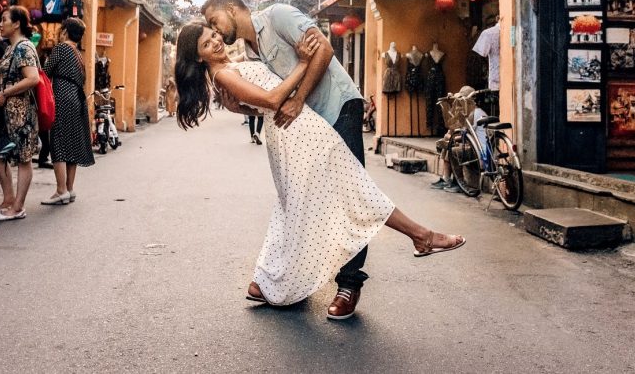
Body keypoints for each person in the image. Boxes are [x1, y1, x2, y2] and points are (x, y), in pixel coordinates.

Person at [175, 22, 464, 314]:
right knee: (354, 193)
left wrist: (242, 108)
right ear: (199, 57)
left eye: (213, 35)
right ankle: (422, 236)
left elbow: (260, 104)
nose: (215, 41)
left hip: (296, 130)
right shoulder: (223, 74)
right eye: (206, 44)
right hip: (297, 133)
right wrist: (303, 63)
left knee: (304, 208)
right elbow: (273, 100)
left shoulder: (230, 67)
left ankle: (268, 282)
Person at [0, 6, 42, 221]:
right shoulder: (10, 48)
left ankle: (18, 207)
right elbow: (2, 76)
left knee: (23, 158)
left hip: (20, 112)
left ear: (16, 23)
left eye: (4, 19)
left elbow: (32, 78)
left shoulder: (24, 48)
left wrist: (5, 93)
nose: (0, 24)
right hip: (4, 111)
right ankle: (8, 200)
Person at [41, 18, 94, 206]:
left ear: (64, 31)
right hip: (76, 99)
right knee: (71, 143)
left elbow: (46, 72)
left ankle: (60, 190)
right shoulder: (78, 53)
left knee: (58, 143)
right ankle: (69, 189)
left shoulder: (62, 48)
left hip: (62, 97)